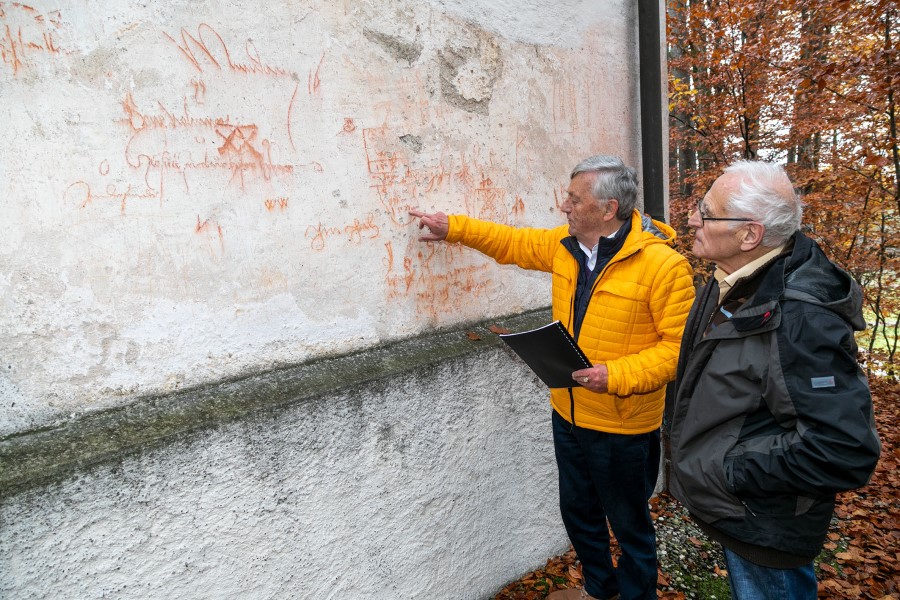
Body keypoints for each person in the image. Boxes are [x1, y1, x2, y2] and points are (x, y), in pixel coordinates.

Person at [410, 155, 695, 600]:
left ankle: (639, 594)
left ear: (607, 208)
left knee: (630, 525)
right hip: (569, 412)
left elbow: (680, 349)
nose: (564, 206)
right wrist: (454, 227)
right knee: (579, 513)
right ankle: (600, 590)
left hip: (623, 423)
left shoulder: (665, 267)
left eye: (573, 199)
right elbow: (513, 243)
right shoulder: (567, 247)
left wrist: (615, 375)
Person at [666, 160, 881, 599]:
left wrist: (724, 471)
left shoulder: (800, 318)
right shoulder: (735, 278)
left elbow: (842, 449)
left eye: (706, 212)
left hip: (764, 521)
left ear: (750, 235)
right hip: (741, 510)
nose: (691, 220)